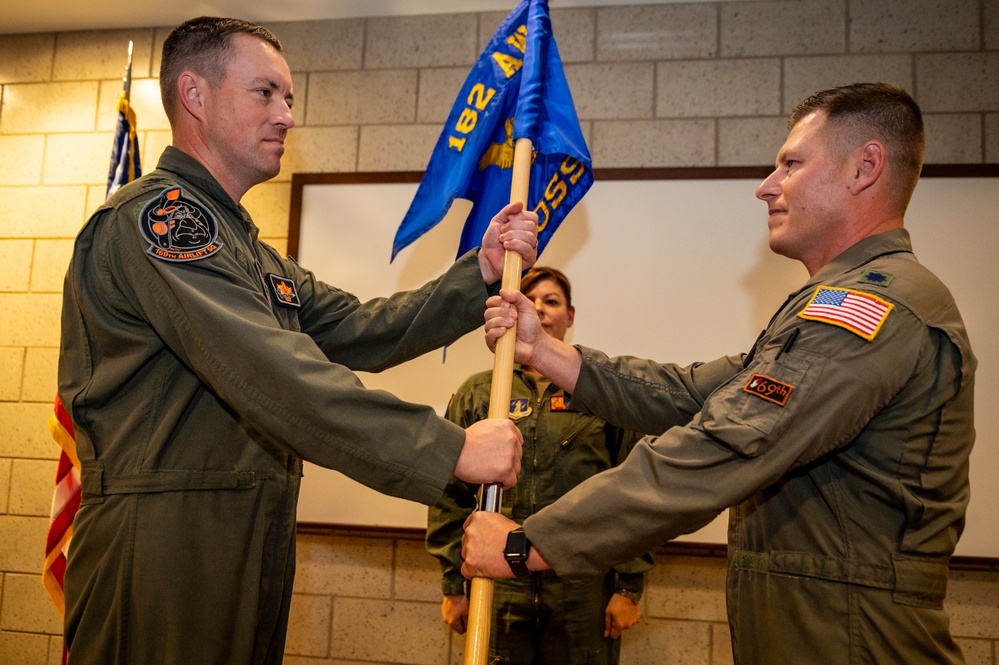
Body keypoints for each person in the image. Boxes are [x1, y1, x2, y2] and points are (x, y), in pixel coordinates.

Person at [57, 16, 539, 665]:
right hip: (165, 549)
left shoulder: (247, 251)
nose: (287, 115)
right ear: (195, 96)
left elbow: (364, 327)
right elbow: (273, 372)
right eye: (266, 93)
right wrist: (449, 448)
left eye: (288, 97)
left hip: (248, 540)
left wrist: (475, 274)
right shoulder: (158, 222)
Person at [461, 83, 976, 664]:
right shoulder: (825, 307)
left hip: (854, 641)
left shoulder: (874, 310)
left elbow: (727, 443)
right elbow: (690, 395)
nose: (766, 187)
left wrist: (529, 544)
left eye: (791, 164)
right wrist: (545, 352)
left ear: (865, 167)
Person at [427, 267, 652, 664]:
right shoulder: (480, 393)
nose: (542, 310)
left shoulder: (599, 392)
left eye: (552, 301)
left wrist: (629, 587)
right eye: (532, 301)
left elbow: (634, 488)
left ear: (571, 315)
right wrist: (452, 584)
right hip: (497, 588)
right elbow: (450, 493)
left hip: (581, 588)